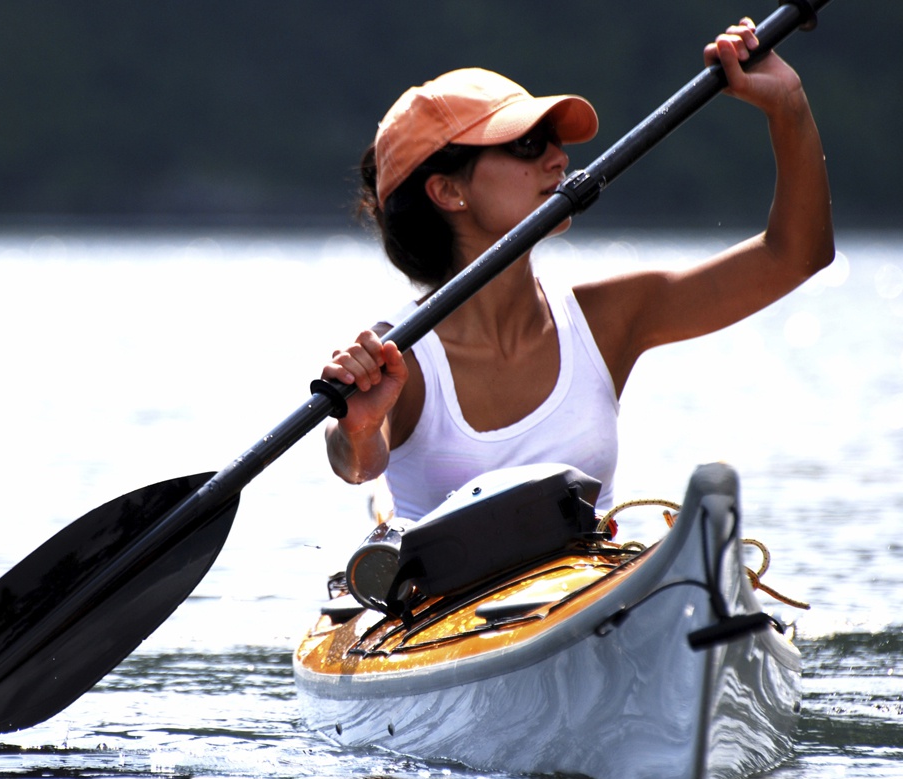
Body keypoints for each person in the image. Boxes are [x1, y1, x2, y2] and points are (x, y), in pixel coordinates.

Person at [320, 19, 834, 522]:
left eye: (554, 141)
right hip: (441, 602)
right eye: (527, 144)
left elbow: (797, 255)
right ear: (448, 191)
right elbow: (357, 464)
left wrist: (787, 105)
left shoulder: (608, 318)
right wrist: (359, 430)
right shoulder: (396, 356)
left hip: (590, 587)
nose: (559, 159)